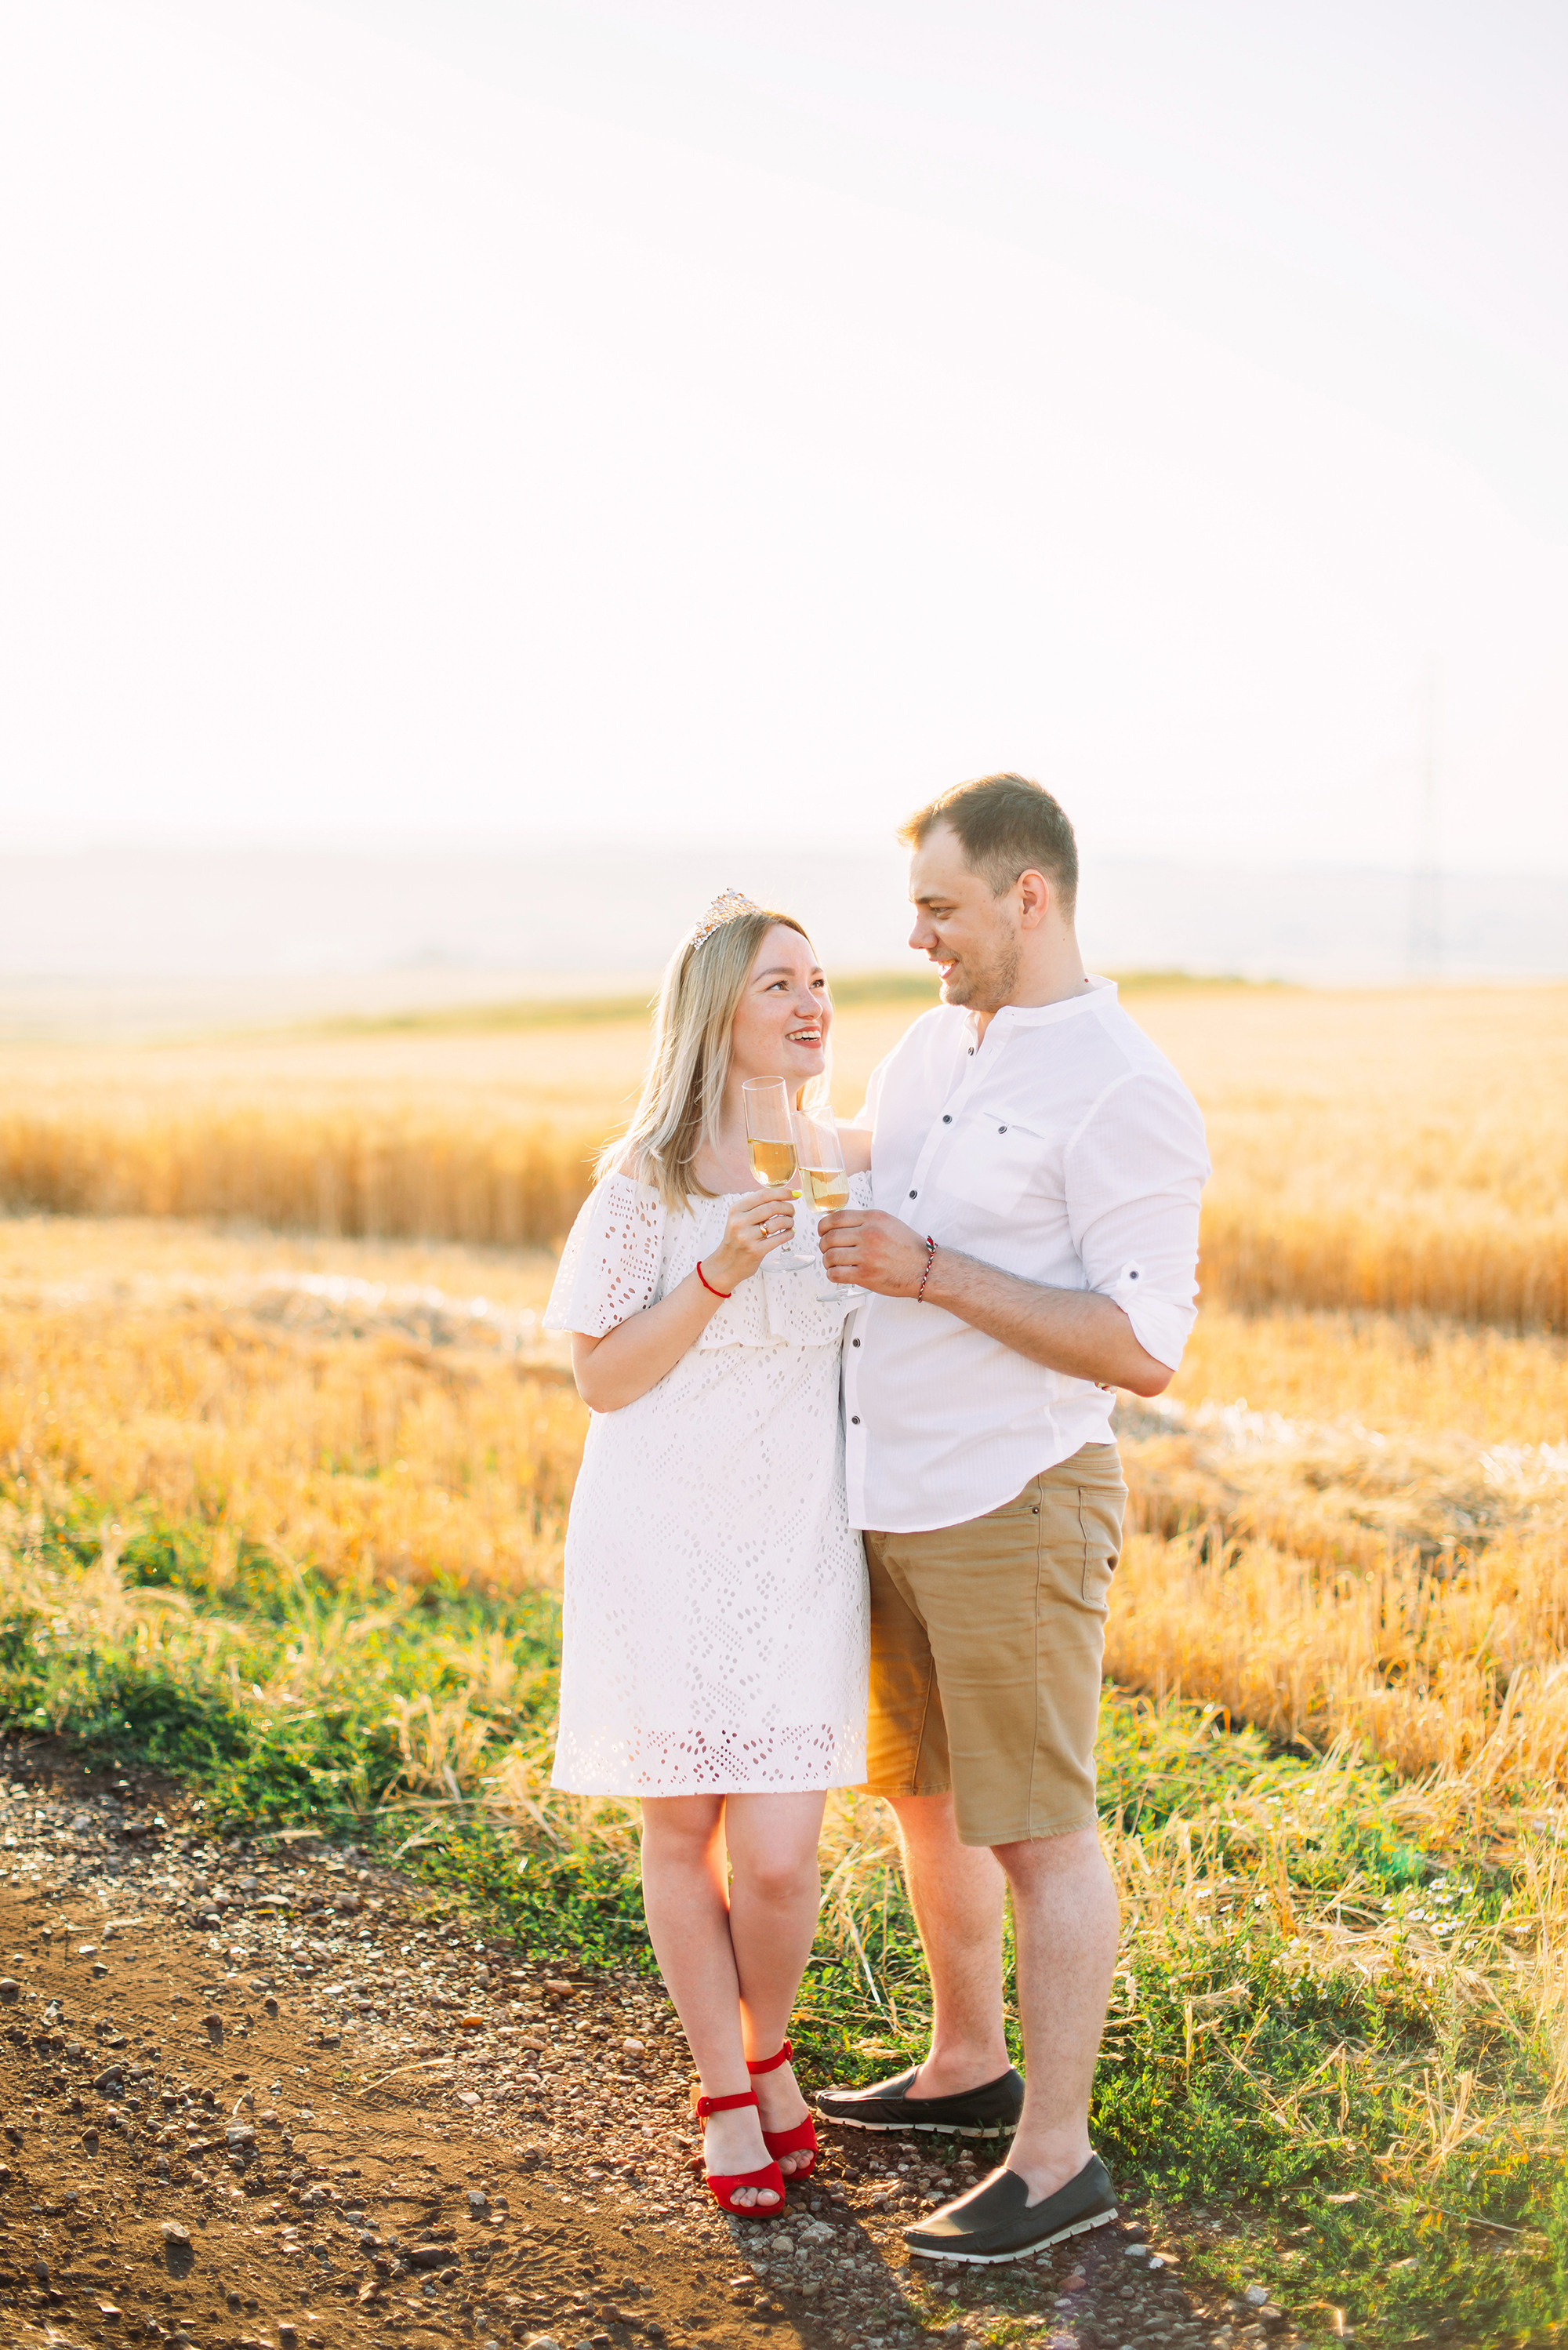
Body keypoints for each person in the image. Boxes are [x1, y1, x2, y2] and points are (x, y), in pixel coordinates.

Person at [815, 773, 1210, 2268]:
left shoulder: (1122, 1088)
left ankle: (1058, 2158)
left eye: (940, 907)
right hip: (892, 1492)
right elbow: (870, 1161)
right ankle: (966, 2064)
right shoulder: (933, 1042)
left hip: (1016, 1500)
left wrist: (928, 1274)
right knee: (928, 1799)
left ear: (1027, 897)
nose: (917, 936)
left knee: (1040, 1830)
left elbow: (1141, 1344)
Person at [543, 888, 871, 2217]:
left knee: (784, 1853)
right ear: (719, 1016)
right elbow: (603, 1380)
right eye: (778, 984)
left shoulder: (850, 1156)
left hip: (801, 1541)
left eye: (818, 980)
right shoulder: (645, 1185)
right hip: (664, 1534)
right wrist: (718, 1272)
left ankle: (768, 2039)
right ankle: (726, 2085)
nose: (811, 1004)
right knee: (685, 1825)